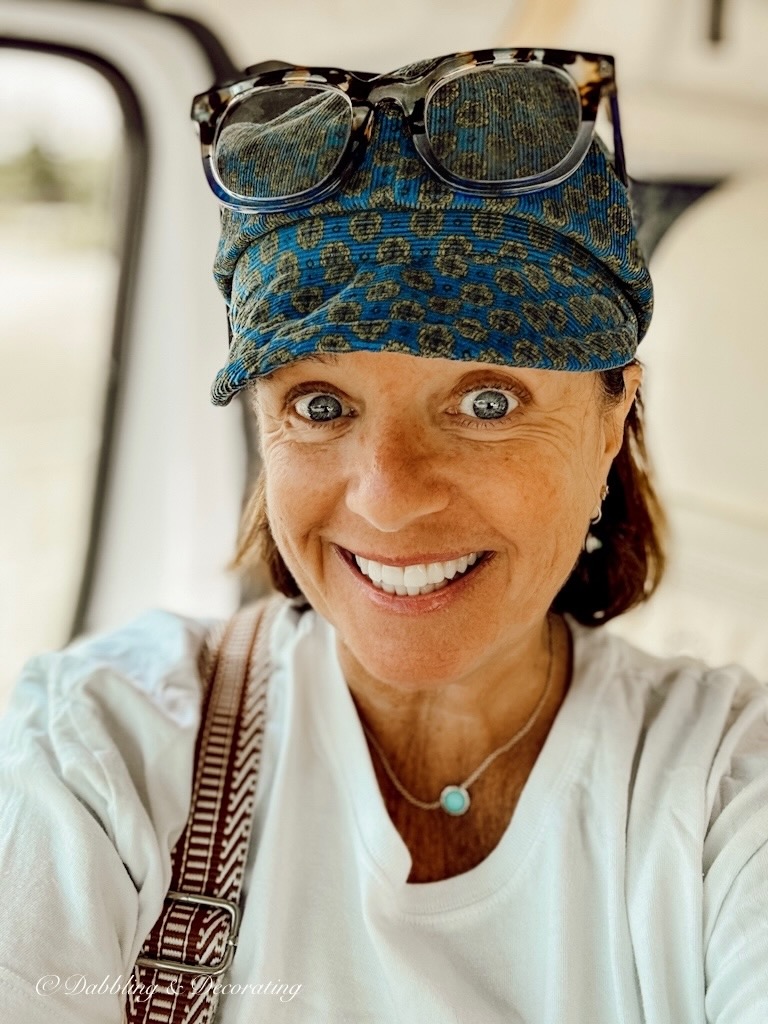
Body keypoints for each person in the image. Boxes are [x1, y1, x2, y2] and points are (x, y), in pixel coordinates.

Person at [1, 48, 767, 1024]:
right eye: (320, 404)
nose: (390, 498)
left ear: (612, 419)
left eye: (487, 399)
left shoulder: (724, 789)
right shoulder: (101, 750)